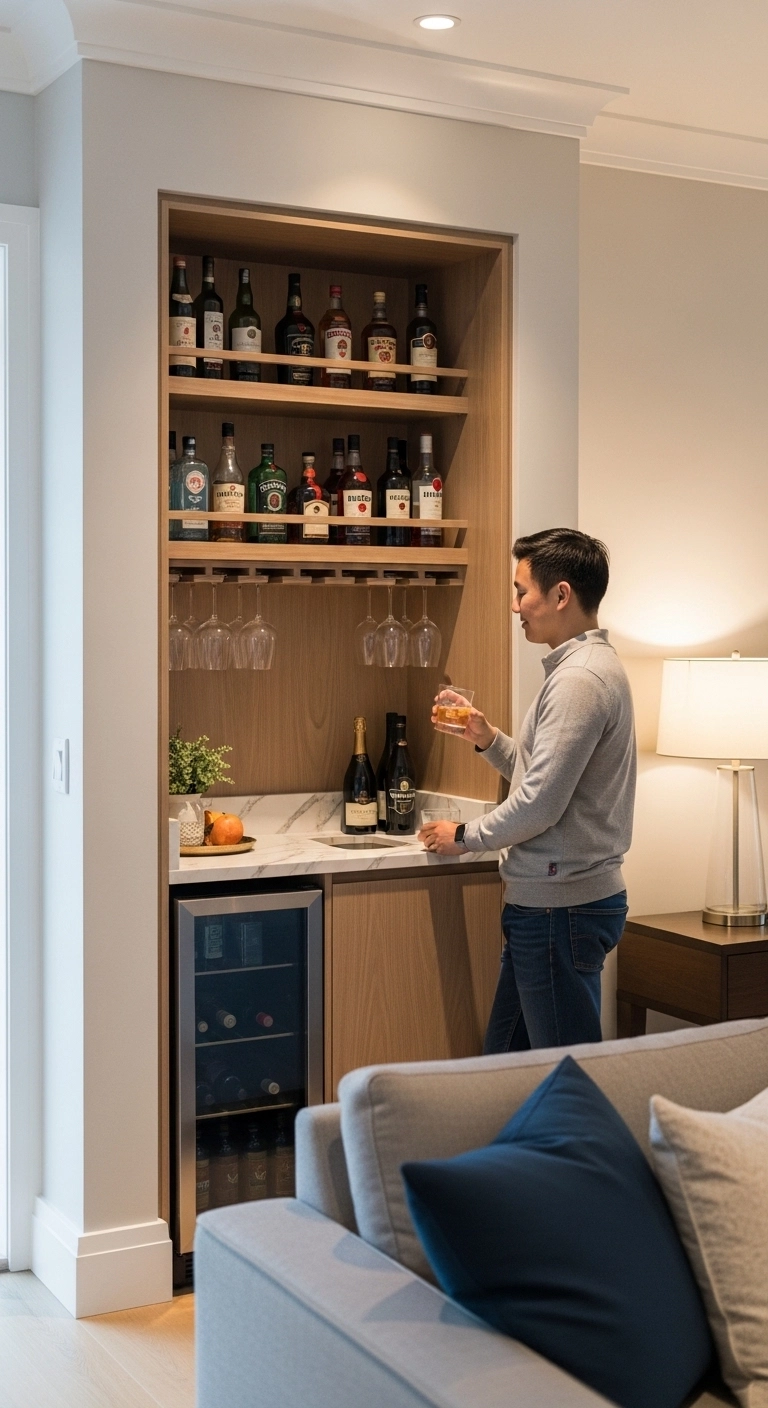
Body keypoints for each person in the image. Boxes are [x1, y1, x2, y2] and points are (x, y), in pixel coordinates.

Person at [419, 528, 636, 1051]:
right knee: (506, 1069)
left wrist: (465, 835)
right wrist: (487, 739)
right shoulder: (581, 668)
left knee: (565, 1075)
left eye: (522, 591)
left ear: (561, 594)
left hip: (559, 909)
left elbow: (539, 802)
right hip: (552, 905)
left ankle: (589, 1139)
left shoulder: (580, 679)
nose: (515, 606)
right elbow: (546, 777)